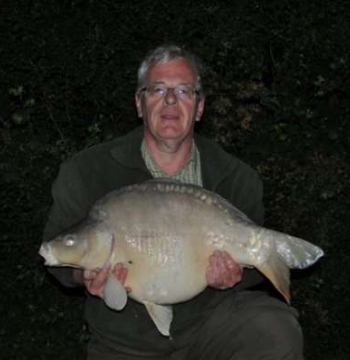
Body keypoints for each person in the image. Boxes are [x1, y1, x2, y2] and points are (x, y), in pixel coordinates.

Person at [43, 45, 303, 360]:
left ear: (200, 107)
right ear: (139, 104)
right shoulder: (86, 171)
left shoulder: (238, 177)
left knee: (274, 329)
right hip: (123, 341)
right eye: (157, 89)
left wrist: (235, 275)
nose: (170, 100)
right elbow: (57, 253)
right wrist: (81, 275)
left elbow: (250, 272)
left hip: (210, 323)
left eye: (183, 90)